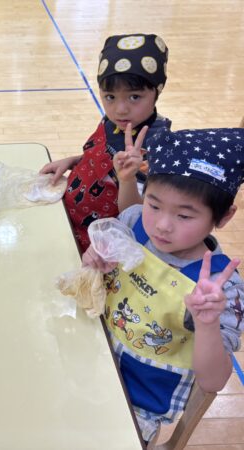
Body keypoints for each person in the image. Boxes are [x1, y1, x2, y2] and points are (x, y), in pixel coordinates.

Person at [82, 127, 244, 442]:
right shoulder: (133, 223)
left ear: (223, 217)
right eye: (154, 205)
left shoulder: (220, 289)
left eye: (184, 216)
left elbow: (213, 382)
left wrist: (207, 323)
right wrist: (94, 260)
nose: (162, 225)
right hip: (93, 353)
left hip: (138, 403)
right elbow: (99, 274)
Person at [40, 33, 171, 253]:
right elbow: (103, 159)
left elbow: (137, 215)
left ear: (156, 92)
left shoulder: (155, 148)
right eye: (110, 96)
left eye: (134, 97)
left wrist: (127, 178)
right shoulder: (115, 122)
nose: (120, 109)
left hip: (97, 245)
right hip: (68, 219)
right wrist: (72, 161)